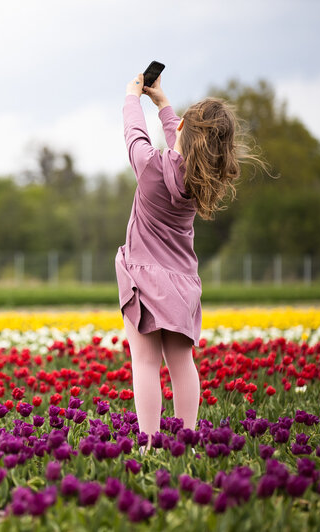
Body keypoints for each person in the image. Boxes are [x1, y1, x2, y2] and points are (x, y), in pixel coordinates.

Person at [116, 72, 261, 452]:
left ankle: (149, 443)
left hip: (146, 283)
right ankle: (187, 441)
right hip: (182, 285)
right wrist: (163, 104)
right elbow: (180, 148)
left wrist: (134, 98)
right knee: (183, 365)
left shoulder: (150, 168)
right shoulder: (198, 181)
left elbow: (135, 136)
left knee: (146, 363)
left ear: (180, 129)